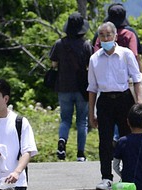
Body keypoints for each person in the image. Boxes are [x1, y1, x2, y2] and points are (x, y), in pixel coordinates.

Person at [87, 21, 142, 190]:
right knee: (104, 140)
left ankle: (129, 174)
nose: (105, 38)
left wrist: (139, 103)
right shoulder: (94, 58)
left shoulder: (125, 54)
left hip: (124, 98)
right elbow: (92, 88)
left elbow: (136, 78)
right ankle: (106, 177)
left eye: (108, 35)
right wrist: (91, 113)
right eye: (102, 36)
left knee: (128, 138)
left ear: (115, 36)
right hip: (104, 101)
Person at [50, 13, 93, 162]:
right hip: (82, 88)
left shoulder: (59, 44)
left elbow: (53, 64)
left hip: (63, 86)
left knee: (65, 120)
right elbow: (90, 66)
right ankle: (80, 154)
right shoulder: (86, 45)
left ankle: (62, 141)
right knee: (82, 121)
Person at [92, 4, 142, 69]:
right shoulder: (130, 34)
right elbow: (136, 56)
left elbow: (95, 55)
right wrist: (139, 74)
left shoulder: (101, 33)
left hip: (104, 70)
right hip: (126, 72)